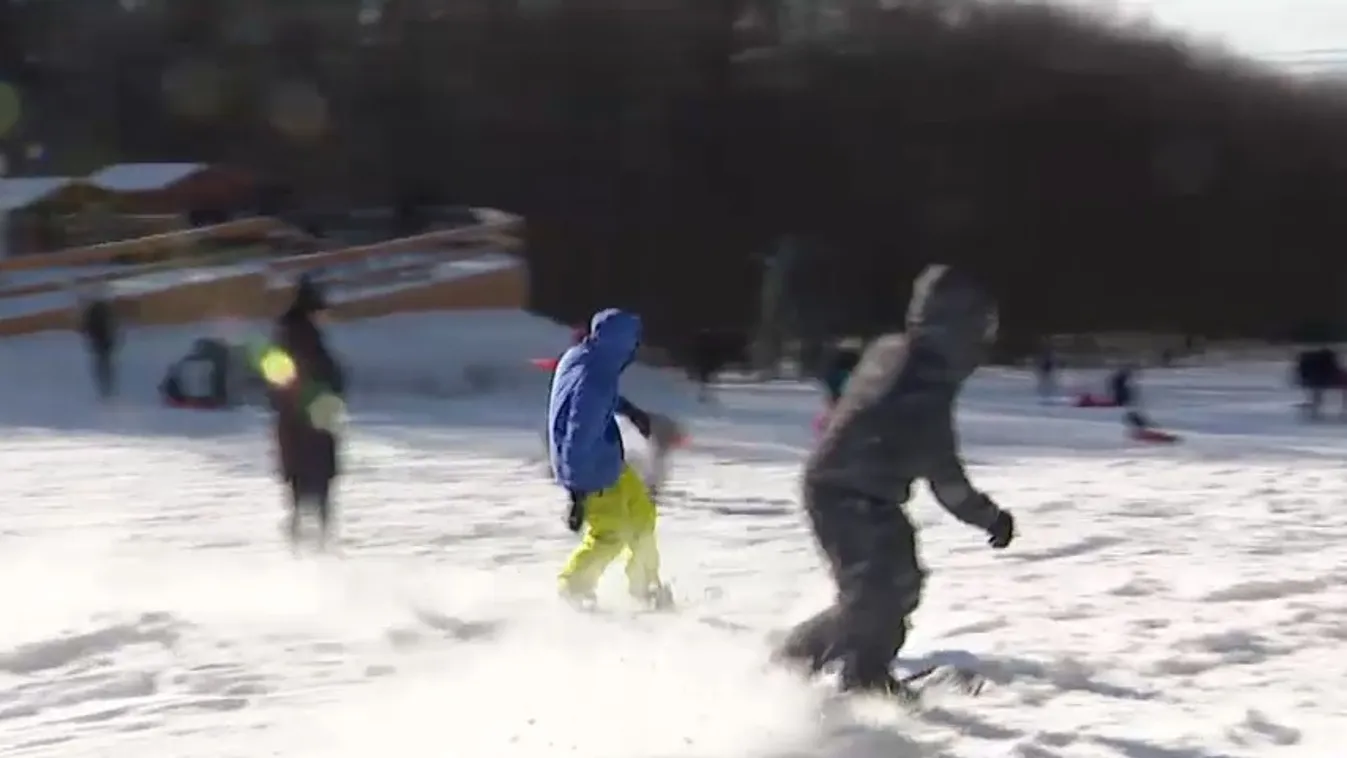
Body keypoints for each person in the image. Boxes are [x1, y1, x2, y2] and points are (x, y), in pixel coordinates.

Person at [774, 264, 1016, 697]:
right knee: (872, 598)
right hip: (845, 495)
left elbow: (853, 387)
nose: (984, 341)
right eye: (981, 329)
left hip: (863, 494)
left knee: (899, 583)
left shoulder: (892, 349)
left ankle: (864, 672)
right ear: (960, 331)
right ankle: (794, 664)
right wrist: (990, 518)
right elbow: (946, 479)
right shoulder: (924, 390)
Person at [547, 308, 673, 610]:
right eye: (633, 342)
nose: (635, 349)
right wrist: (576, 492)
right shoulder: (596, 379)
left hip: (607, 460)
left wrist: (629, 411)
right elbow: (579, 430)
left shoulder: (584, 357)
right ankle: (574, 588)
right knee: (611, 533)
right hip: (589, 471)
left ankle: (644, 586)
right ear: (622, 344)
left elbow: (596, 399)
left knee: (642, 516)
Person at [270, 275, 346, 551]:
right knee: (319, 482)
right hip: (313, 419)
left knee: (300, 487)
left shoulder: (285, 338)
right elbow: (323, 377)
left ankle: (302, 543)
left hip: (293, 421)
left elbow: (276, 383)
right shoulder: (307, 340)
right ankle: (321, 544)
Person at [79, 285, 119, 401]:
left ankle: (105, 388)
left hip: (100, 341)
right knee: (106, 364)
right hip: (105, 341)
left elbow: (86, 326)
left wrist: (88, 335)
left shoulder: (93, 310)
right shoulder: (105, 309)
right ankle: (107, 387)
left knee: (102, 364)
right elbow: (113, 325)